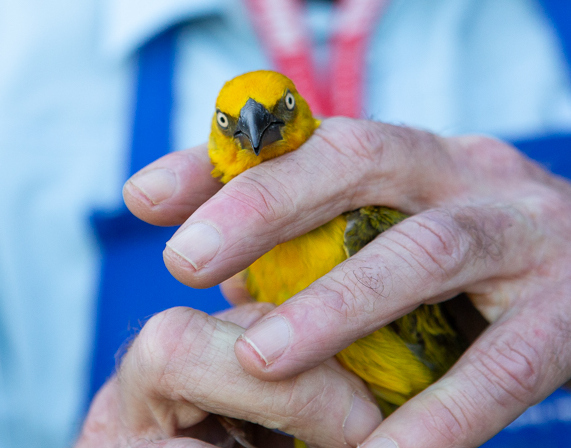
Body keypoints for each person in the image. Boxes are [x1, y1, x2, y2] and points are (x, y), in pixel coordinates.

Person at [2, 0, 571, 447]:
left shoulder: (363, 224)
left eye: (281, 113)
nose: (258, 129)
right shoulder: (25, 61)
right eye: (235, 125)